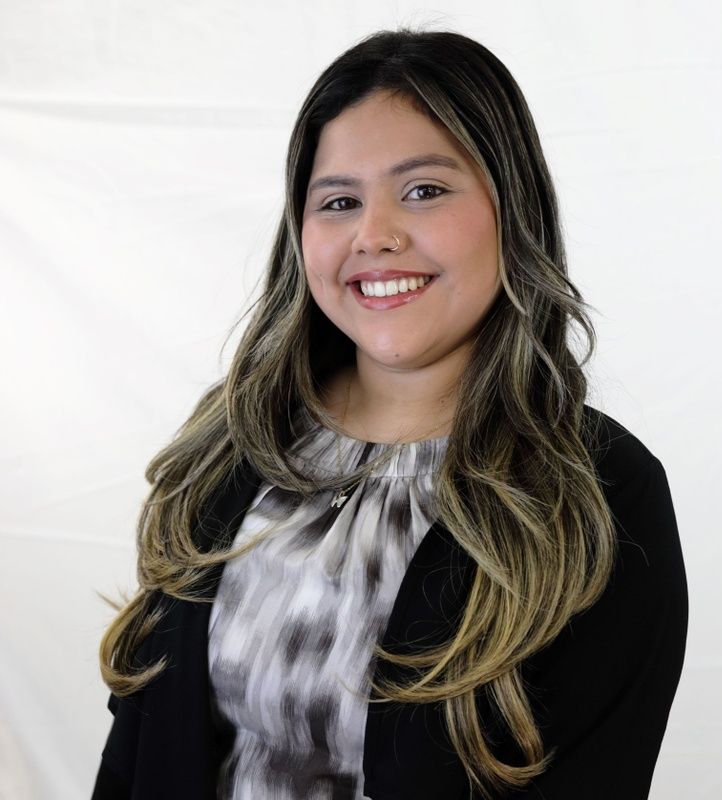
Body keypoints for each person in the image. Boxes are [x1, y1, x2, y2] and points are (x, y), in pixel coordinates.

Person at [91, 27, 688, 800]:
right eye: (338, 201)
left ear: (513, 208)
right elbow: (137, 744)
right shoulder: (236, 441)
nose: (374, 235)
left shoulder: (602, 495)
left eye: (424, 190)